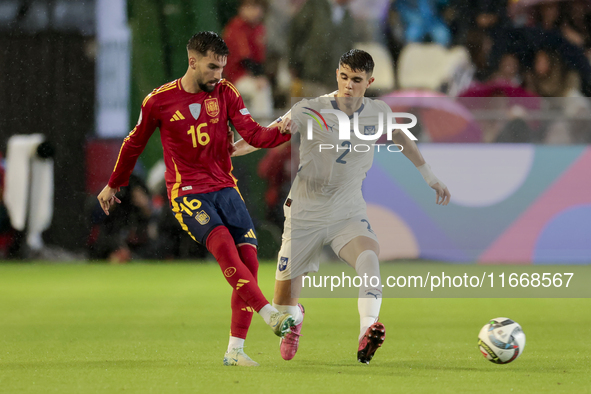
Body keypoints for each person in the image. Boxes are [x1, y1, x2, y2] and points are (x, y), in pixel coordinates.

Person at [233, 49, 451, 364]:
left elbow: (400, 135)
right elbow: (265, 136)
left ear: (370, 81)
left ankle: (367, 330)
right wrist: (229, 151)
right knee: (281, 308)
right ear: (338, 74)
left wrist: (429, 176)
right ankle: (296, 318)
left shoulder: (378, 112)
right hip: (305, 211)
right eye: (344, 77)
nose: (349, 85)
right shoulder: (309, 109)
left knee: (369, 259)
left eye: (357, 79)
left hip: (346, 210)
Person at [97, 31, 296, 367]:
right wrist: (114, 183)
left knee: (249, 264)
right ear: (192, 61)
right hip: (187, 192)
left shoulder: (226, 93)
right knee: (224, 251)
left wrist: (285, 128)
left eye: (221, 68)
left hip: (225, 188)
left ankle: (234, 351)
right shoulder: (158, 101)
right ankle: (269, 314)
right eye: (212, 67)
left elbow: (255, 135)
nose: (218, 75)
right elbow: (134, 144)